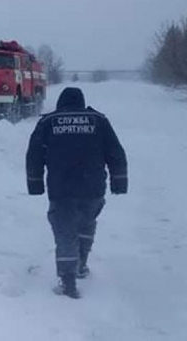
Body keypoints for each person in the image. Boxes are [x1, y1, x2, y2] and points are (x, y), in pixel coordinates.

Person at [26, 87, 127, 299]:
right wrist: (119, 181)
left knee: (65, 233)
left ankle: (68, 280)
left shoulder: (48, 122)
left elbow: (34, 154)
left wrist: (35, 184)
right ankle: (81, 265)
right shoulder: (98, 120)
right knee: (86, 225)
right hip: (93, 187)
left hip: (61, 188)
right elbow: (115, 151)